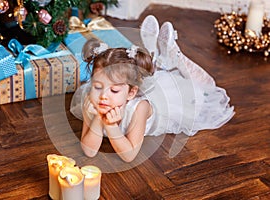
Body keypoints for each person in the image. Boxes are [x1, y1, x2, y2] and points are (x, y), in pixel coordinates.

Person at [70, 17, 235, 163]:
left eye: (114, 91)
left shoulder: (139, 107)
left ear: (131, 93)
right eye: (98, 86)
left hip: (171, 99)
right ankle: (157, 60)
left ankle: (174, 57)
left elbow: (129, 156)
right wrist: (98, 120)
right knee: (153, 74)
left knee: (204, 88)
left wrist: (111, 126)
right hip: (141, 85)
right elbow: (89, 151)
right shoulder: (91, 100)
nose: (103, 96)